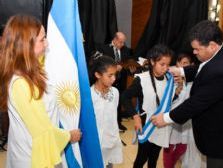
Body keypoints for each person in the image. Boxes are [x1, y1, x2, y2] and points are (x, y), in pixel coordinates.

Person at [151, 20, 223, 168]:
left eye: (197, 49)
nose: (194, 52)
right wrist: (182, 71)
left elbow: (197, 102)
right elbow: (204, 68)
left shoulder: (222, 69)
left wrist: (166, 118)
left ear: (212, 45)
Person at [0, 14, 81, 168]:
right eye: (42, 39)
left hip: (30, 152)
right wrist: (69, 136)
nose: (47, 43)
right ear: (26, 45)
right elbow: (43, 133)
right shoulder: (22, 84)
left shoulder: (26, 71)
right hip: (35, 158)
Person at [122, 44, 174, 168]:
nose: (165, 68)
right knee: (141, 158)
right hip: (146, 126)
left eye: (168, 65)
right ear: (152, 61)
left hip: (162, 125)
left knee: (154, 159)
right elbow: (124, 97)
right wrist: (135, 117)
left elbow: (167, 101)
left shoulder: (169, 80)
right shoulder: (141, 79)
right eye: (162, 64)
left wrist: (176, 93)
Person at [96, 32, 134, 132]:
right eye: (120, 42)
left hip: (121, 81)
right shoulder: (104, 49)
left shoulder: (125, 50)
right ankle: (107, 125)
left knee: (119, 102)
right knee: (108, 103)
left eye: (123, 42)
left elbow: (127, 64)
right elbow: (100, 64)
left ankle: (118, 123)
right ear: (115, 39)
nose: (122, 44)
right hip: (108, 82)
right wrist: (114, 67)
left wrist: (131, 69)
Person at [90, 55, 123, 168]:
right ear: (98, 75)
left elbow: (113, 117)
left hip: (111, 142)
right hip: (96, 144)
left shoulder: (115, 92)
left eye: (115, 74)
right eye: (110, 75)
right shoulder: (89, 95)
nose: (114, 79)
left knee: (109, 164)